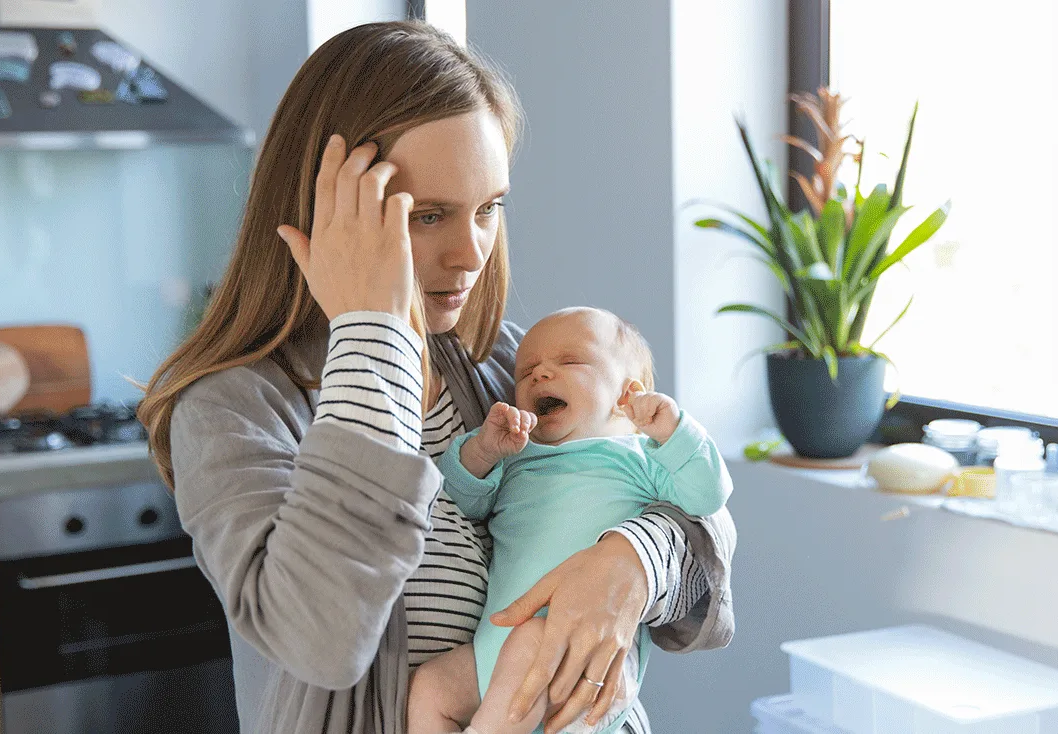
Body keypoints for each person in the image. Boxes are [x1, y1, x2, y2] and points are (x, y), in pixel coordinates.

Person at [136, 21, 737, 734]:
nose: (471, 252)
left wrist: (631, 564)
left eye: (489, 209)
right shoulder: (235, 409)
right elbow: (321, 640)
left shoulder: (501, 372)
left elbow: (704, 562)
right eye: (428, 216)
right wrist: (371, 334)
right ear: (326, 217)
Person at [406, 308, 732, 734]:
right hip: (492, 652)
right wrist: (483, 452)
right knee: (431, 687)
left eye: (570, 361)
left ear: (627, 393)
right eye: (525, 372)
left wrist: (676, 432)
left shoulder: (641, 457)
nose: (540, 374)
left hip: (579, 658)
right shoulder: (516, 455)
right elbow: (456, 503)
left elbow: (706, 498)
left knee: (531, 641)